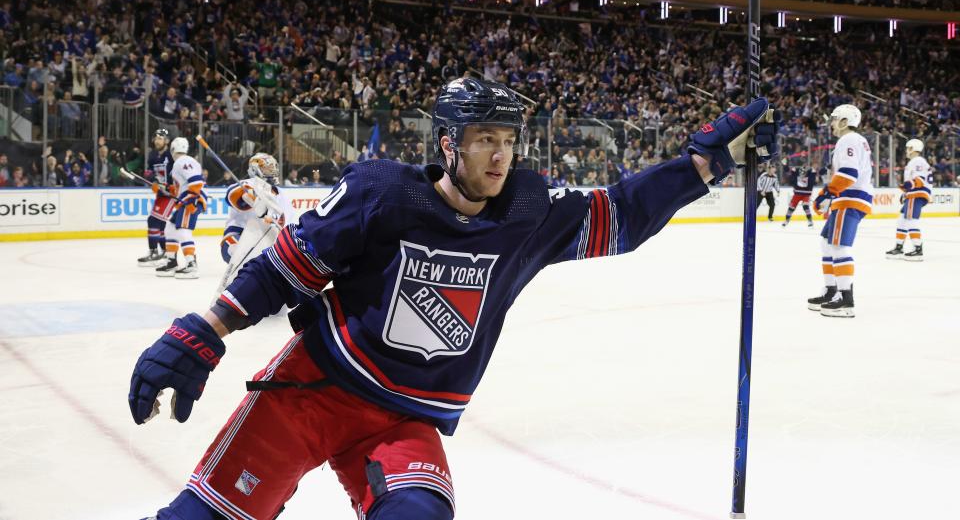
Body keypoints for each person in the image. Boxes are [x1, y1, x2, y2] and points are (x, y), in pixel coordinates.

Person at [128, 78, 778, 520]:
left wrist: (699, 167)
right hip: (315, 389)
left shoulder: (528, 211)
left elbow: (625, 214)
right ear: (447, 143)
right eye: (484, 138)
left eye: (507, 139)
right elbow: (285, 268)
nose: (500, 154)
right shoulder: (382, 193)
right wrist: (203, 328)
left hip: (405, 419)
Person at [807, 104, 873, 318]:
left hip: (849, 199)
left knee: (838, 246)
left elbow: (849, 173)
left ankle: (846, 300)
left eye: (835, 119)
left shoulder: (848, 139)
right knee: (827, 243)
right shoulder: (855, 140)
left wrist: (826, 193)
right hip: (848, 198)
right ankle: (831, 290)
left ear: (845, 122)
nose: (832, 123)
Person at [220, 153, 296, 288]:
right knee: (245, 258)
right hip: (237, 237)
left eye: (273, 167)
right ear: (255, 169)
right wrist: (249, 196)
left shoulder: (283, 195)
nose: (272, 171)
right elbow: (231, 194)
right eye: (267, 168)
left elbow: (287, 224)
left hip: (264, 242)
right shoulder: (249, 184)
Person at [155, 137, 208, 280]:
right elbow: (180, 188)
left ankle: (191, 264)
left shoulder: (183, 161)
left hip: (190, 201)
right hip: (186, 200)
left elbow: (196, 182)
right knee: (170, 227)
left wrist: (191, 200)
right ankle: (172, 261)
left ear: (172, 149)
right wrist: (165, 188)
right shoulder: (182, 162)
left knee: (183, 230)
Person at [886, 138, 932, 261]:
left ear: (913, 148)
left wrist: (906, 188)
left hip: (916, 194)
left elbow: (919, 180)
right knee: (902, 219)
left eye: (908, 148)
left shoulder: (917, 160)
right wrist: (906, 193)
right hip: (913, 194)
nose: (906, 150)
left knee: (911, 220)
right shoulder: (916, 161)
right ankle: (899, 247)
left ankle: (918, 249)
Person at [138, 129, 176, 267]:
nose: (156, 141)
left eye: (160, 138)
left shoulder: (171, 155)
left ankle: (154, 251)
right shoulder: (153, 155)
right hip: (161, 194)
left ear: (166, 140)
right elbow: (148, 172)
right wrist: (153, 181)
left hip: (171, 195)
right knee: (158, 223)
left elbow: (178, 172)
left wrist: (170, 186)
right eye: (155, 138)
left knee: (154, 220)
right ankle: (164, 251)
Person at [781, 161, 817, 228]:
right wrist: (785, 165)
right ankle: (786, 220)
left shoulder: (810, 174)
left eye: (804, 173)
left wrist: (813, 170)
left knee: (805, 206)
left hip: (806, 194)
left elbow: (813, 176)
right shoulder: (796, 173)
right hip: (797, 193)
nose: (802, 175)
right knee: (791, 207)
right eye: (801, 173)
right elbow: (787, 170)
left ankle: (810, 220)